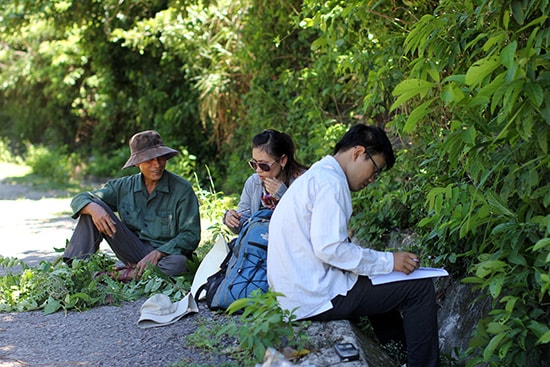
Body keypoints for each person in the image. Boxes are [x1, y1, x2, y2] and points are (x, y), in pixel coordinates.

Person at [267, 124, 440, 367]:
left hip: (299, 291)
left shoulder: (319, 174)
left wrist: (384, 265)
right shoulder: (331, 182)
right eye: (375, 169)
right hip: (313, 295)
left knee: (383, 280)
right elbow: (330, 249)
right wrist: (390, 260)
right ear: (358, 152)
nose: (372, 179)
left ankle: (399, 358)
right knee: (418, 287)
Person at [63, 130, 201, 281]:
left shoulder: (182, 189)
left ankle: (122, 275)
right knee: (91, 206)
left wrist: (159, 253)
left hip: (165, 256)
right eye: (150, 160)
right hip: (133, 250)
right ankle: (74, 271)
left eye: (161, 158)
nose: (157, 164)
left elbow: (191, 235)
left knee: (180, 264)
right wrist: (94, 209)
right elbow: (80, 198)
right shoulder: (123, 187)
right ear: (137, 163)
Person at [223, 129, 307, 234]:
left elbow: (307, 221)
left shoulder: (303, 181)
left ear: (282, 160)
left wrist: (283, 194)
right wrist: (230, 219)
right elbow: (242, 225)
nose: (258, 170)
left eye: (263, 165)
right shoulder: (254, 183)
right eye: (254, 164)